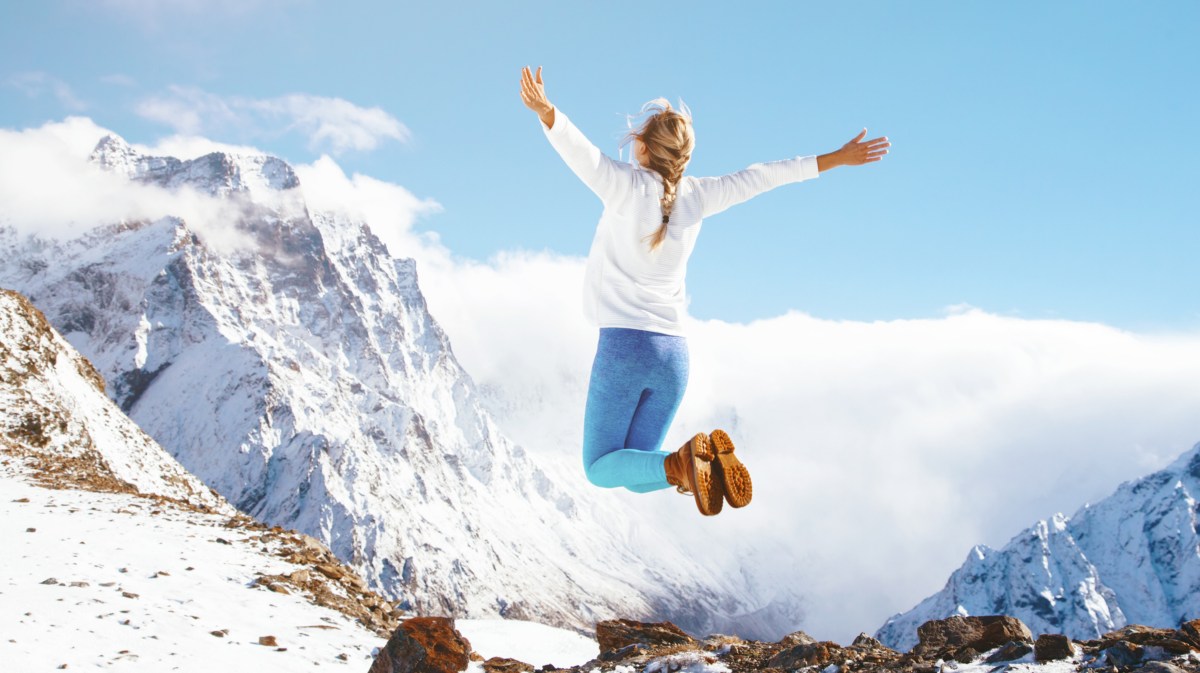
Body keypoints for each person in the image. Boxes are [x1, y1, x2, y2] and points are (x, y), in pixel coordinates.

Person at [519, 65, 888, 516]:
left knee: (599, 467)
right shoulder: (699, 195)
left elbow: (581, 153)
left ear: (640, 147)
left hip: (624, 349)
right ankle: (687, 465)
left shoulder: (623, 185)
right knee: (643, 471)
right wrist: (836, 158)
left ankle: (684, 464)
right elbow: (765, 175)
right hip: (674, 358)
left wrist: (546, 110)